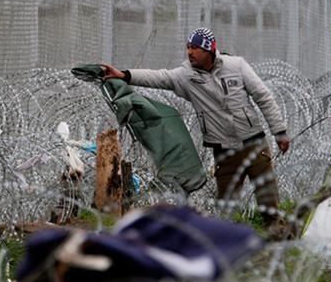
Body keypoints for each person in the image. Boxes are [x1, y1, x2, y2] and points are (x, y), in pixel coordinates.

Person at [101, 27, 293, 239]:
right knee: (226, 206)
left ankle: (279, 243)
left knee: (268, 201)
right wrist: (125, 75)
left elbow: (263, 97)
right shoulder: (186, 76)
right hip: (224, 151)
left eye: (195, 48)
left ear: (210, 50)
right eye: (188, 47)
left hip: (254, 143)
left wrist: (280, 132)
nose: (190, 52)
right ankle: (228, 246)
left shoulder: (236, 66)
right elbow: (159, 77)